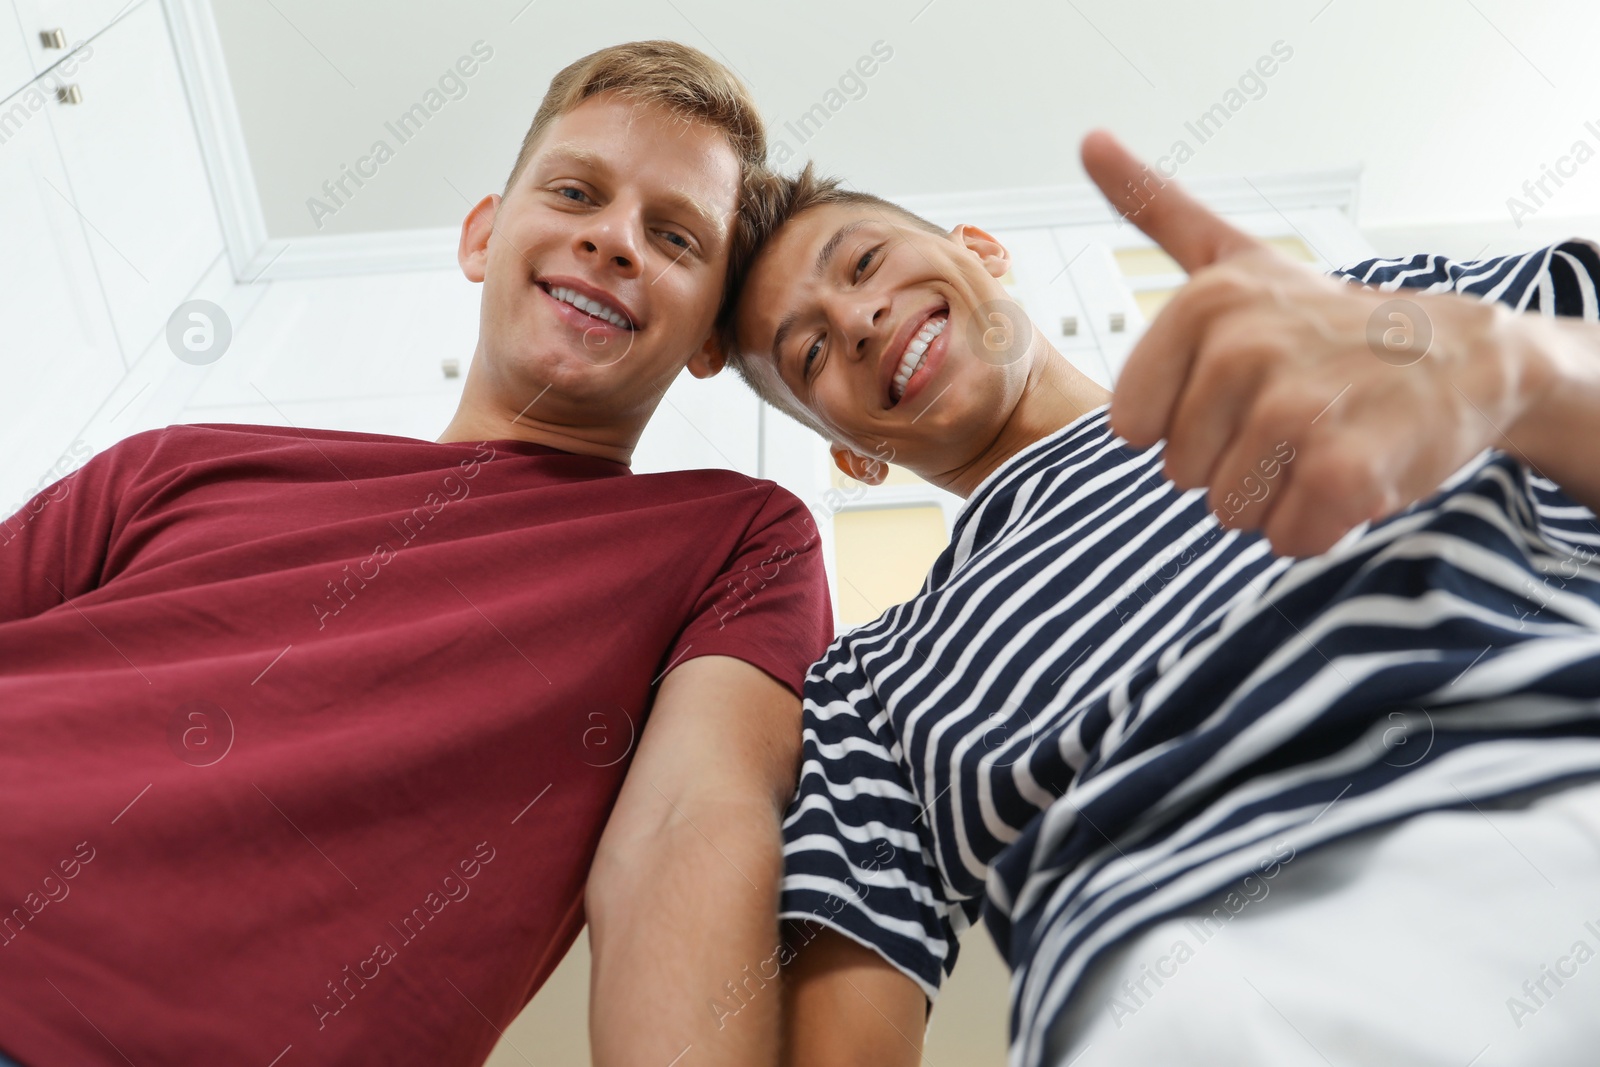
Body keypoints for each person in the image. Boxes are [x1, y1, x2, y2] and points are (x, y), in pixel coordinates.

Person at [0, 42, 833, 1067]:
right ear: (484, 235)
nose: (613, 240)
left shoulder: (736, 539)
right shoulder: (175, 462)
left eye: (673, 237)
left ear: (710, 336)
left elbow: (690, 830)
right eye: (576, 191)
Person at [719, 131, 1600, 1065]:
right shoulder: (872, 682)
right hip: (1180, 1004)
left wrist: (1495, 367)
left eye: (863, 262)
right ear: (855, 457)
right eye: (811, 352)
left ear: (981, 251)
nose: (856, 320)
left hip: (1547, 821)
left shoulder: (1357, 320)